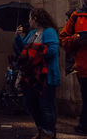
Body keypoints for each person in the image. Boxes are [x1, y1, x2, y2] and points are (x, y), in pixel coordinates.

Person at [15, 8, 60, 139]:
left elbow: (52, 50)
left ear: (35, 19)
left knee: (46, 106)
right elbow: (22, 49)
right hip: (32, 77)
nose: (29, 21)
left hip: (46, 76)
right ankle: (41, 129)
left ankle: (48, 132)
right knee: (31, 104)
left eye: (30, 18)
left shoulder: (49, 32)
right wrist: (18, 37)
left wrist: (33, 52)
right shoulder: (32, 33)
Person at [59, 0, 87, 135]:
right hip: (84, 68)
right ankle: (83, 125)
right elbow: (63, 40)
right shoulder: (76, 17)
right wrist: (76, 38)